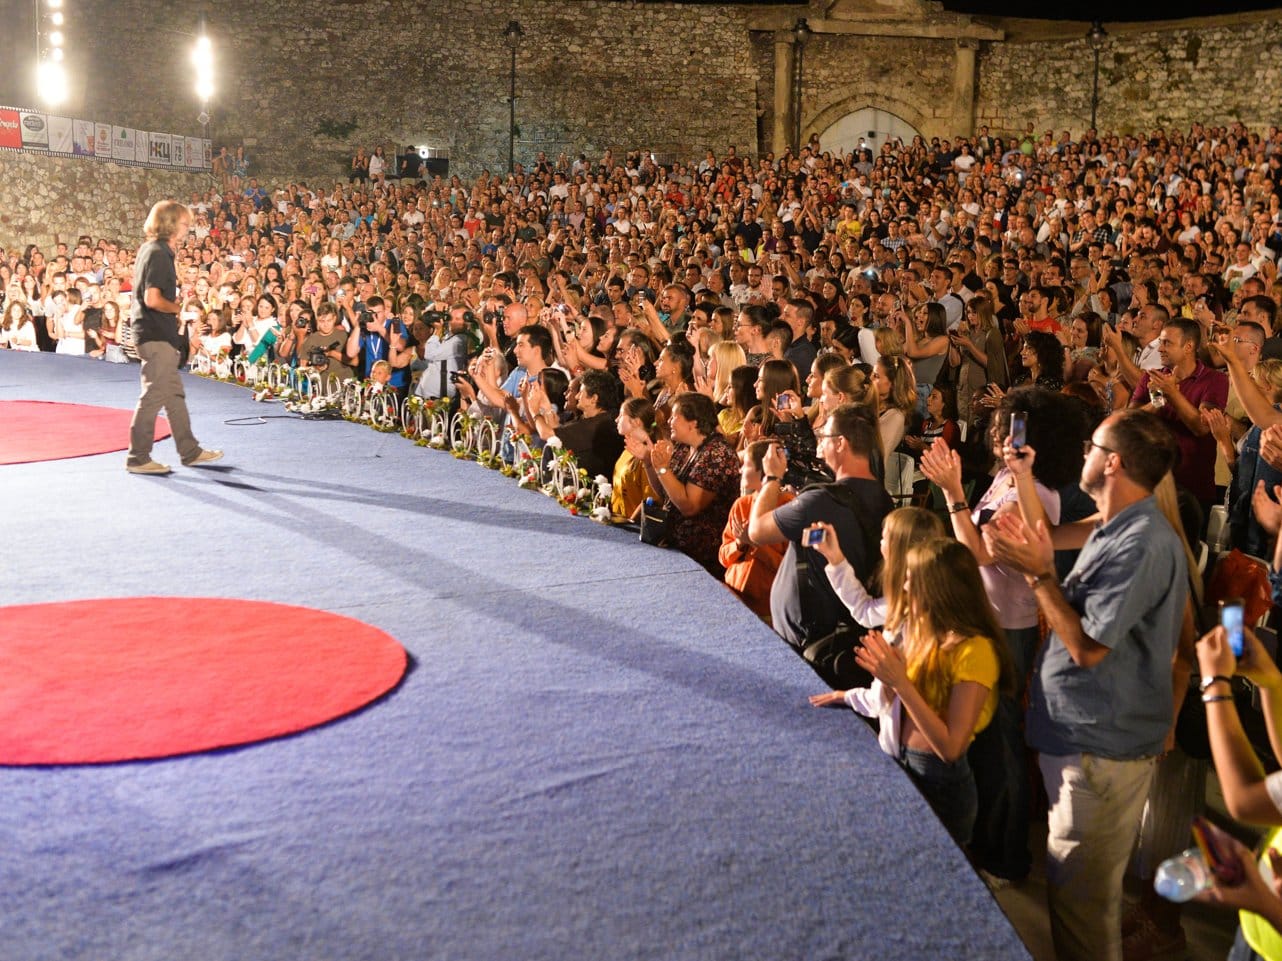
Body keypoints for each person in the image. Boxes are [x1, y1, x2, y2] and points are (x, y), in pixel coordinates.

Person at [985, 409, 1186, 961]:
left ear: (1113, 462)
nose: (1083, 454)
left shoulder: (1140, 543)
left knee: (1082, 917)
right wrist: (1023, 478)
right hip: (1086, 740)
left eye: (1091, 445)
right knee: (1080, 902)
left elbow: (1088, 647)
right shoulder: (1112, 524)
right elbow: (1045, 537)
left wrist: (1036, 575)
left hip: (1102, 747)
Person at [812, 537, 1012, 846]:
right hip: (899, 764)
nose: (904, 589)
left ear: (938, 589)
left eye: (910, 582)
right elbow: (888, 700)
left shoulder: (976, 651)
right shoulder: (920, 632)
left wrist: (900, 683)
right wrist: (848, 696)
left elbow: (951, 747)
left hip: (940, 785)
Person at [749, 403, 893, 654]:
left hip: (815, 641)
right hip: (843, 632)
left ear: (841, 443)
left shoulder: (819, 500)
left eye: (823, 437)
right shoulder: (885, 498)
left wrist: (772, 477)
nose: (819, 444)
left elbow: (757, 531)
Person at [125, 200, 222, 475]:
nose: (188, 228)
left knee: (173, 395)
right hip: (156, 334)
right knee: (153, 395)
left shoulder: (151, 250)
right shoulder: (157, 253)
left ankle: (189, 451)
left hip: (153, 333)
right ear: (169, 223)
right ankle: (138, 457)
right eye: (184, 223)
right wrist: (180, 309)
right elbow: (153, 298)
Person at [633, 391, 740, 575]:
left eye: (675, 417)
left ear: (693, 423)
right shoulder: (684, 447)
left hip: (701, 557)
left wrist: (662, 469)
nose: (669, 421)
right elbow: (666, 492)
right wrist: (650, 463)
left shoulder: (717, 454)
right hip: (673, 545)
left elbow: (690, 506)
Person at [719, 441, 794, 619]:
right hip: (733, 594)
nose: (740, 470)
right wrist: (739, 544)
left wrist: (755, 543)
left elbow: (788, 568)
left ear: (762, 470)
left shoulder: (788, 506)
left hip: (768, 607)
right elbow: (723, 556)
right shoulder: (741, 505)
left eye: (745, 464)